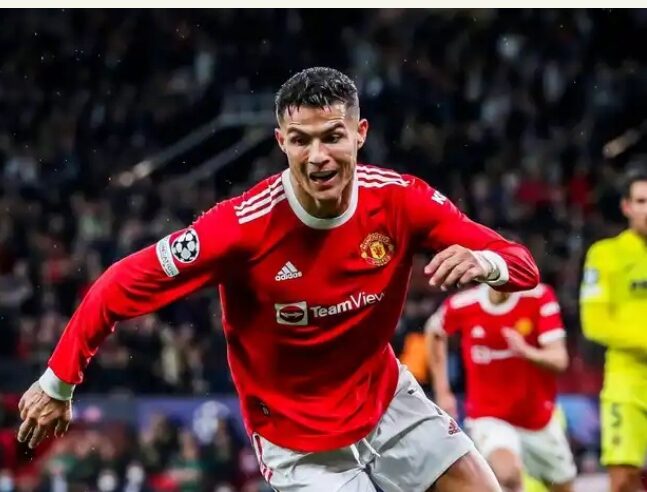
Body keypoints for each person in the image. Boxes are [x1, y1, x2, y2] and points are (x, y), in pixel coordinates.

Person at [17, 67, 540, 492]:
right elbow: (119, 283)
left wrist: (487, 265)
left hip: (385, 400)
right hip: (297, 440)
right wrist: (58, 383)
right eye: (301, 141)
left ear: (359, 134)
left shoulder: (401, 201)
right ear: (280, 143)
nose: (318, 157)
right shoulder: (239, 228)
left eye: (333, 137)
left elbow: (521, 263)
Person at [427, 283, 576, 492]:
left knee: (562, 485)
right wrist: (443, 391)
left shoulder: (538, 296)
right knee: (508, 475)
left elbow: (559, 359)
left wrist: (527, 352)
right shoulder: (464, 303)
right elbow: (434, 331)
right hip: (488, 416)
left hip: (537, 417)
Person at [580, 167, 647, 492]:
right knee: (622, 480)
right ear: (626, 207)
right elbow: (595, 324)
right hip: (627, 379)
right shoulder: (605, 254)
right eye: (642, 201)